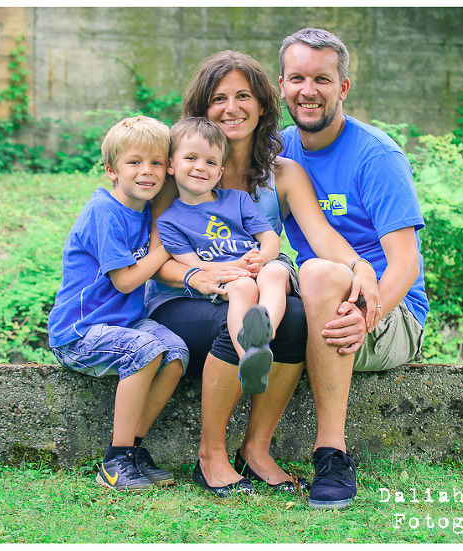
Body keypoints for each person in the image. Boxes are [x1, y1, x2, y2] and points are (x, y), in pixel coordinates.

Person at [146, 50, 380, 499]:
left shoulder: (282, 171)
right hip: (182, 298)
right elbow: (155, 253)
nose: (231, 108)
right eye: (218, 98)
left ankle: (255, 449)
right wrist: (198, 277)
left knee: (293, 318)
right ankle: (211, 455)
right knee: (229, 321)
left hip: (253, 288)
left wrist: (360, 265)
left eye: (243, 95)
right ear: (202, 108)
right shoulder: (179, 168)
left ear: (263, 104)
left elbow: (321, 233)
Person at [278, 28, 429, 509]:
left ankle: (331, 455)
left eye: (322, 79)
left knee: (320, 273)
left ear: (342, 87)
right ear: (281, 84)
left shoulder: (376, 155)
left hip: (389, 310)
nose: (308, 91)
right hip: (321, 301)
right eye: (297, 78)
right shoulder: (276, 152)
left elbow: (406, 261)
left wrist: (370, 316)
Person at [47, 116, 189, 491]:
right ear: (111, 170)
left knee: (175, 353)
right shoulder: (104, 211)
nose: (147, 171)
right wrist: (165, 248)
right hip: (79, 334)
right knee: (144, 351)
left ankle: (134, 450)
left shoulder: (144, 209)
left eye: (157, 163)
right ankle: (114, 460)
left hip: (122, 325)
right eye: (134, 162)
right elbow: (126, 280)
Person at [157, 116, 288, 396]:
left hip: (258, 265)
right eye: (191, 158)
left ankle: (263, 333)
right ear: (171, 165)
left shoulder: (238, 200)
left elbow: (269, 238)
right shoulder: (169, 221)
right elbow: (194, 265)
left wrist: (262, 257)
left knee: (276, 273)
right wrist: (236, 267)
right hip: (225, 278)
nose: (200, 167)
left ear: (220, 172)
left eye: (211, 162)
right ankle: (249, 358)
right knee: (242, 286)